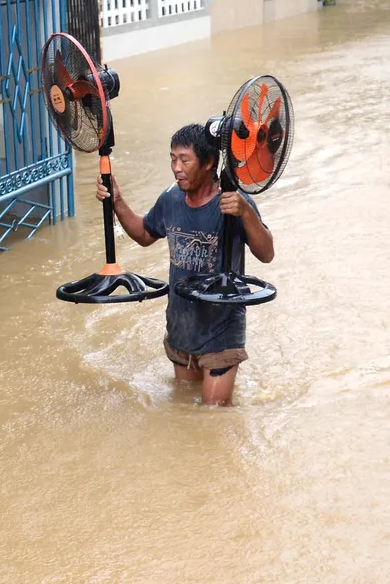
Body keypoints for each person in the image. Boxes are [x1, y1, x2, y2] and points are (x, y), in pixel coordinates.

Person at [95, 122, 274, 406]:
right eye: (172, 159)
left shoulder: (233, 203)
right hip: (181, 326)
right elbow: (143, 234)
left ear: (208, 163)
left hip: (221, 330)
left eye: (184, 160)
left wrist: (246, 214)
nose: (177, 167)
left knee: (213, 413)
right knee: (184, 410)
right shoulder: (171, 199)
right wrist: (117, 200)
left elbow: (266, 254)